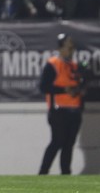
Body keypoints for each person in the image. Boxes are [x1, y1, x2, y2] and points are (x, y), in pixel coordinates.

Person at [39, 33, 86, 175]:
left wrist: (80, 91)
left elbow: (79, 84)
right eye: (68, 45)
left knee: (69, 145)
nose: (71, 49)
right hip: (58, 110)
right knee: (57, 142)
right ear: (60, 48)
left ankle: (65, 174)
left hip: (74, 110)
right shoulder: (53, 64)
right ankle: (43, 172)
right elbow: (44, 87)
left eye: (72, 46)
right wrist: (64, 90)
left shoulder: (75, 65)